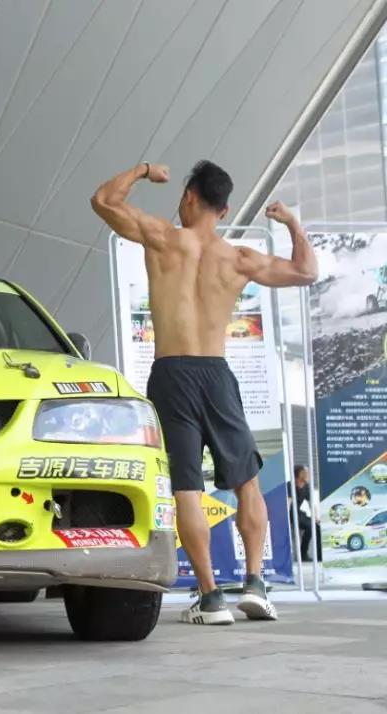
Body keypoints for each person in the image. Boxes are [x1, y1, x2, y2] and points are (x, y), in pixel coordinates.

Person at [91, 160, 317, 625]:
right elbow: (305, 271)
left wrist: (142, 170)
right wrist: (292, 223)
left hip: (171, 373)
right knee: (247, 481)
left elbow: (104, 201)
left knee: (186, 489)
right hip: (216, 374)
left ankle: (212, 599)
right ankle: (255, 585)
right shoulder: (238, 258)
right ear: (225, 209)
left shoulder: (161, 237)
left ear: (189, 197)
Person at [291, 465, 321, 562]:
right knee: (310, 527)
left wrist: (316, 516)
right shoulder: (290, 486)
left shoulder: (306, 486)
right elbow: (288, 503)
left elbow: (311, 503)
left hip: (300, 513)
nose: (308, 475)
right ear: (300, 474)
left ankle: (319, 555)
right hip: (291, 514)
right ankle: (303, 554)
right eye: (306, 473)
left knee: (316, 527)